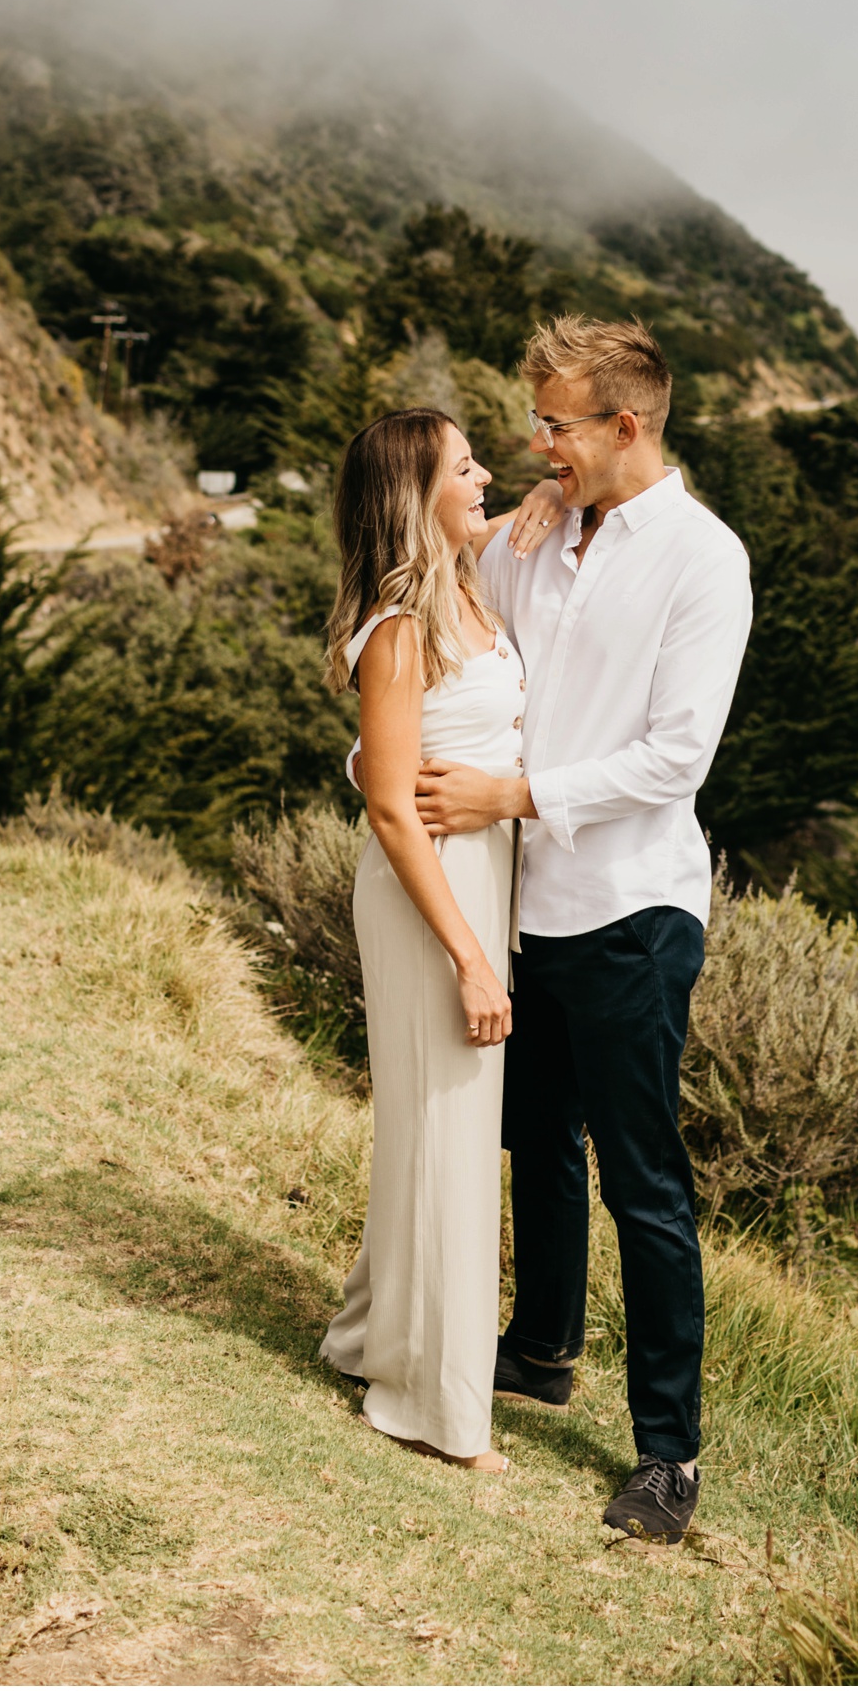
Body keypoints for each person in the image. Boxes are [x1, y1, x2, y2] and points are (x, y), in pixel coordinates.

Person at [413, 316, 753, 1542]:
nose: (537, 442)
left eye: (556, 423)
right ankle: (541, 1351)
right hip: (522, 906)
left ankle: (668, 1455)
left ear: (628, 423)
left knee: (642, 1177)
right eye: (535, 421)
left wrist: (518, 795)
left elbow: (677, 757)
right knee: (535, 1140)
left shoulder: (706, 560)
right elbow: (452, 647)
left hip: (633, 907)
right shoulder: (535, 539)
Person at [317, 406, 558, 1472]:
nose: (488, 475)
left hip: (480, 876)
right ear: (420, 496)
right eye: (467, 467)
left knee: (444, 1126)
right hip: (430, 898)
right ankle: (432, 1398)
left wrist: (551, 493)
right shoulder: (402, 630)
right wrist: (468, 955)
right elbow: (388, 805)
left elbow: (523, 510)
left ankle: (377, 1330)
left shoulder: (468, 588)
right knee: (449, 1134)